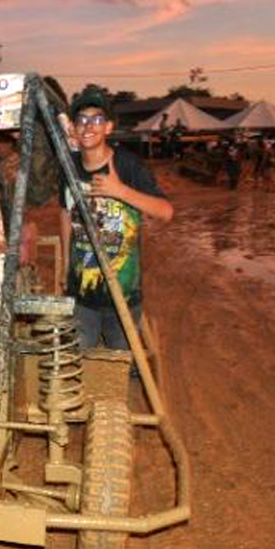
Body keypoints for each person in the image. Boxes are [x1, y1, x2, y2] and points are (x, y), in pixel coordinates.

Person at [60, 86, 173, 351]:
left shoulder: (127, 165)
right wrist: (66, 263)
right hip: (82, 292)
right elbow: (65, 212)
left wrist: (119, 190)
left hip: (123, 291)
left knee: (117, 364)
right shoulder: (68, 167)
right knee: (80, 357)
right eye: (82, 120)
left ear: (108, 127)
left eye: (97, 119)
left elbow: (166, 212)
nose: (89, 126)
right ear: (74, 129)